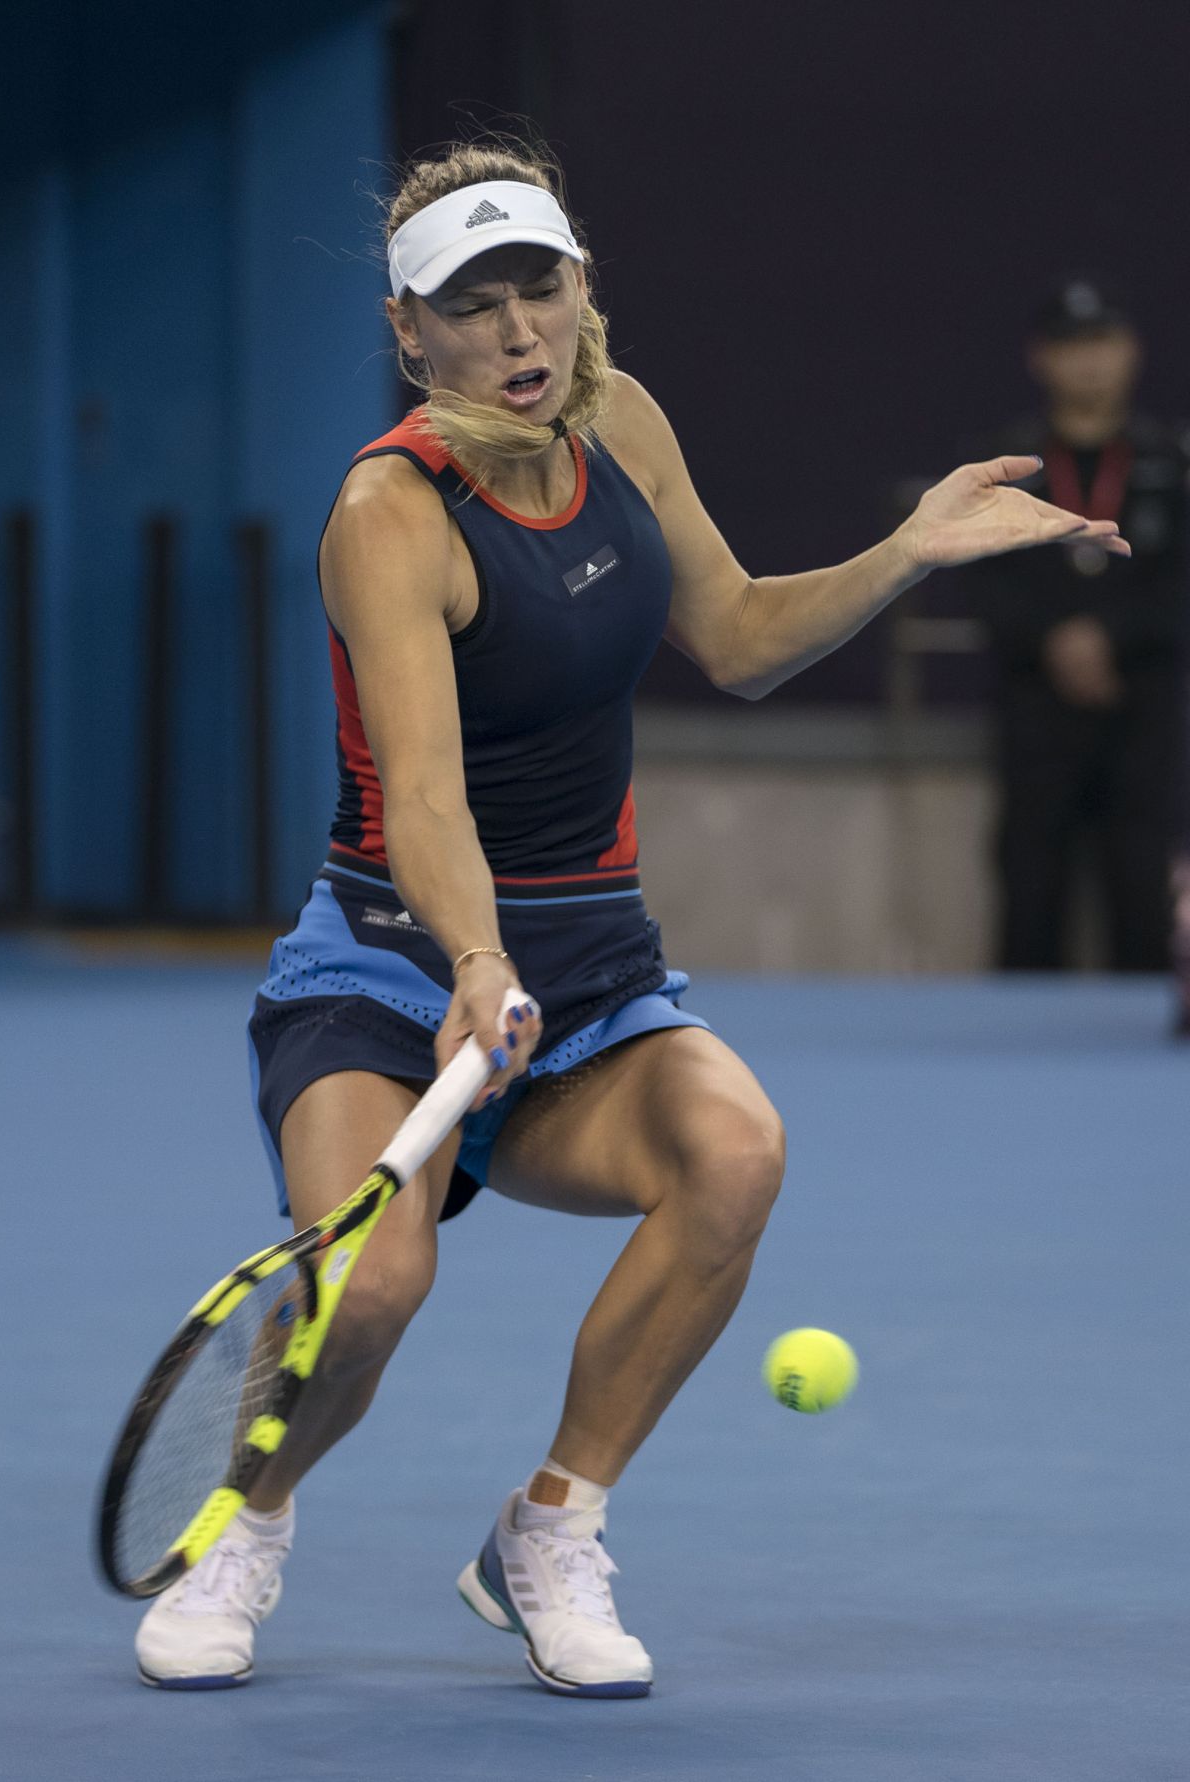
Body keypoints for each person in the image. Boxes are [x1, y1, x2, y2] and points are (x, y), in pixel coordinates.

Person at [134, 144, 1128, 1696]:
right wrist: (472, 956)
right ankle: (245, 1523)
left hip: (592, 974)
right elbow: (427, 797)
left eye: (543, 287)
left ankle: (547, 1529)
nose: (522, 333)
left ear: (582, 287)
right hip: (392, 967)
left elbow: (732, 634)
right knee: (374, 1283)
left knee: (735, 1151)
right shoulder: (389, 512)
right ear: (413, 333)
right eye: (477, 306)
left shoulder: (624, 420)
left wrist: (906, 554)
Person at [965, 281, 1188, 971]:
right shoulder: (1007, 463)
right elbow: (982, 574)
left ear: (1131, 352)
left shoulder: (1170, 464)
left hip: (1141, 707)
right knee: (1029, 894)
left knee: (1143, 895)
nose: (1089, 363)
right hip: (1037, 712)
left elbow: (1181, 581)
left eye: (1102, 344)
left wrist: (1107, 637)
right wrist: (1055, 636)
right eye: (1071, 346)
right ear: (1040, 358)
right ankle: (1011, 1066)